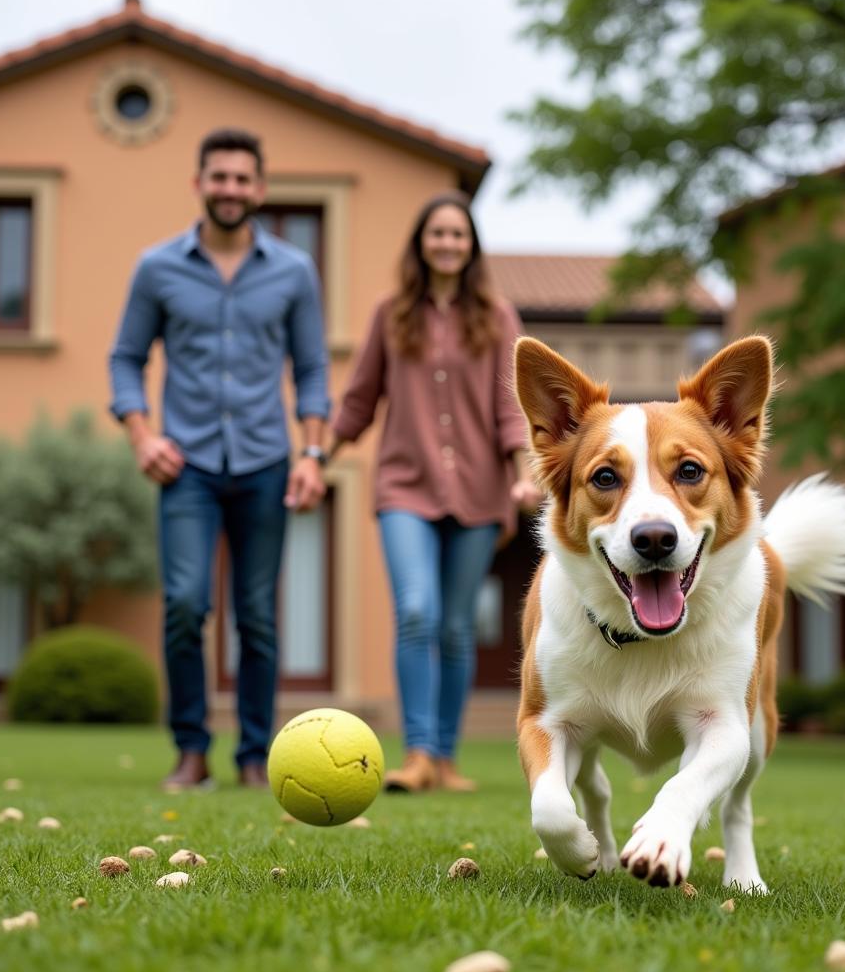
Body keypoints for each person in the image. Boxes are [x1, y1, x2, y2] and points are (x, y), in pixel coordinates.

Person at [109, 128, 330, 790]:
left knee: (257, 614)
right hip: (188, 466)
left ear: (259, 189)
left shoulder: (293, 271)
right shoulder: (158, 268)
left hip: (265, 461)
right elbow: (125, 357)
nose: (230, 189)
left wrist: (313, 453)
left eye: (242, 179)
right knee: (183, 605)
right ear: (199, 183)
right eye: (219, 177)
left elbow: (313, 367)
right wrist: (142, 437)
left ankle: (255, 757)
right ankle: (191, 750)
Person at [329, 191, 542, 792]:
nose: (447, 243)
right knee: (416, 612)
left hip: (478, 490)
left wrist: (522, 471)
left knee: (454, 626)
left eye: (457, 234)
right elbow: (360, 398)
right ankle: (418, 752)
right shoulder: (390, 313)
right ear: (420, 244)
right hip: (405, 484)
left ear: (470, 246)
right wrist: (321, 458)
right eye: (436, 234)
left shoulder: (498, 317)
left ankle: (445, 759)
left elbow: (511, 404)